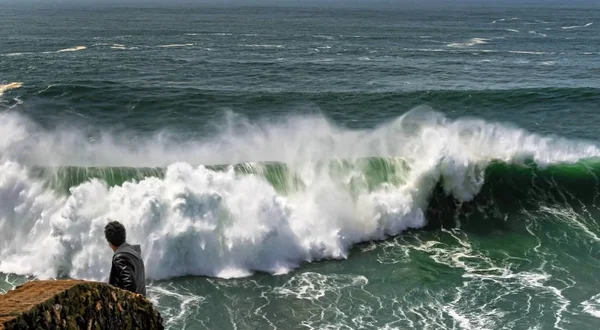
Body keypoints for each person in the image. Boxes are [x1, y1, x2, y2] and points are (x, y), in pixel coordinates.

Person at [104, 220, 147, 296]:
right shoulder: (134, 252)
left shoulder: (120, 257)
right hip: (141, 303)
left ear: (109, 243)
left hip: (131, 307)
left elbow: (129, 284)